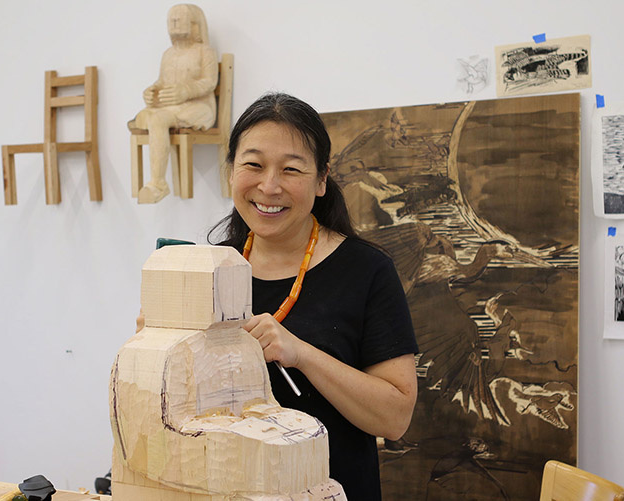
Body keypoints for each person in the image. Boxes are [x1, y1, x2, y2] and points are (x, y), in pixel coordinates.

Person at [208, 92, 418, 500]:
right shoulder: (212, 266)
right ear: (231, 171)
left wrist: (300, 353)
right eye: (253, 164)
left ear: (322, 180)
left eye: (291, 169)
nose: (269, 186)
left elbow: (395, 418)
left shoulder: (367, 271)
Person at [129, 3, 218, 204]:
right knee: (144, 117)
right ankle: (153, 183)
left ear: (194, 23)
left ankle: (158, 184)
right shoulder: (168, 54)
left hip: (200, 108)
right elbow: (162, 82)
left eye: (180, 17)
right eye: (172, 18)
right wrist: (151, 91)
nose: (175, 21)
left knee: (157, 119)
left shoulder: (204, 51)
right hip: (171, 108)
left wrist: (186, 90)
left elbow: (210, 82)